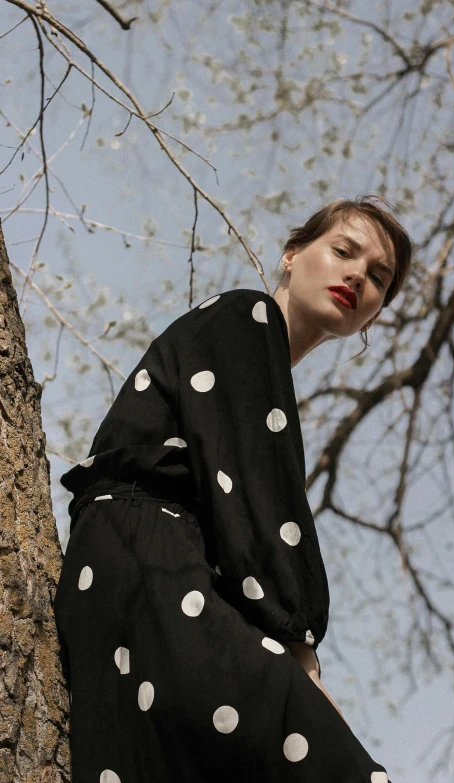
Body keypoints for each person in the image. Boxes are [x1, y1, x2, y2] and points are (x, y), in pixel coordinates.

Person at [54, 195, 413, 783]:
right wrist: (303, 652)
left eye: (379, 277)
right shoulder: (245, 317)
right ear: (292, 256)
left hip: (141, 566)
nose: (357, 276)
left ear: (372, 315)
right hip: (147, 550)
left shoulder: (262, 369)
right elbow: (255, 501)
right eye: (344, 251)